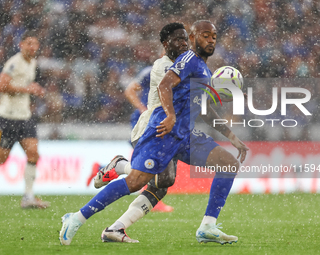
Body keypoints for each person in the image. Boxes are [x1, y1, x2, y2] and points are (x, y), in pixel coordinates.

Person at [59, 20, 248, 245]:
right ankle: (77, 217)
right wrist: (170, 115)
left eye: (214, 36)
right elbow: (164, 85)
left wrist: (233, 138)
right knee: (136, 181)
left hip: (185, 135)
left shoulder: (203, 69)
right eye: (205, 35)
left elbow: (204, 110)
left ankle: (207, 226)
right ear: (193, 37)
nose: (210, 40)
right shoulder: (184, 61)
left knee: (225, 165)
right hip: (163, 132)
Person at [86, 65, 173, 212]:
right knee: (149, 160)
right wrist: (141, 108)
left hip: (158, 120)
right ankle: (151, 198)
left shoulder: (175, 71)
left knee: (149, 159)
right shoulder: (151, 71)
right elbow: (130, 90)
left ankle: (101, 168)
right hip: (145, 120)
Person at [0, 30, 49, 209]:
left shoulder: (33, 62)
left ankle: (28, 197)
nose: (32, 47)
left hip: (24, 118)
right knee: (2, 159)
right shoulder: (14, 63)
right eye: (28, 43)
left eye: (35, 44)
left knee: (33, 154)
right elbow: (2, 86)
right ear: (21, 45)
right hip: (7, 117)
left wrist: (35, 89)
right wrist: (28, 90)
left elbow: (23, 86)